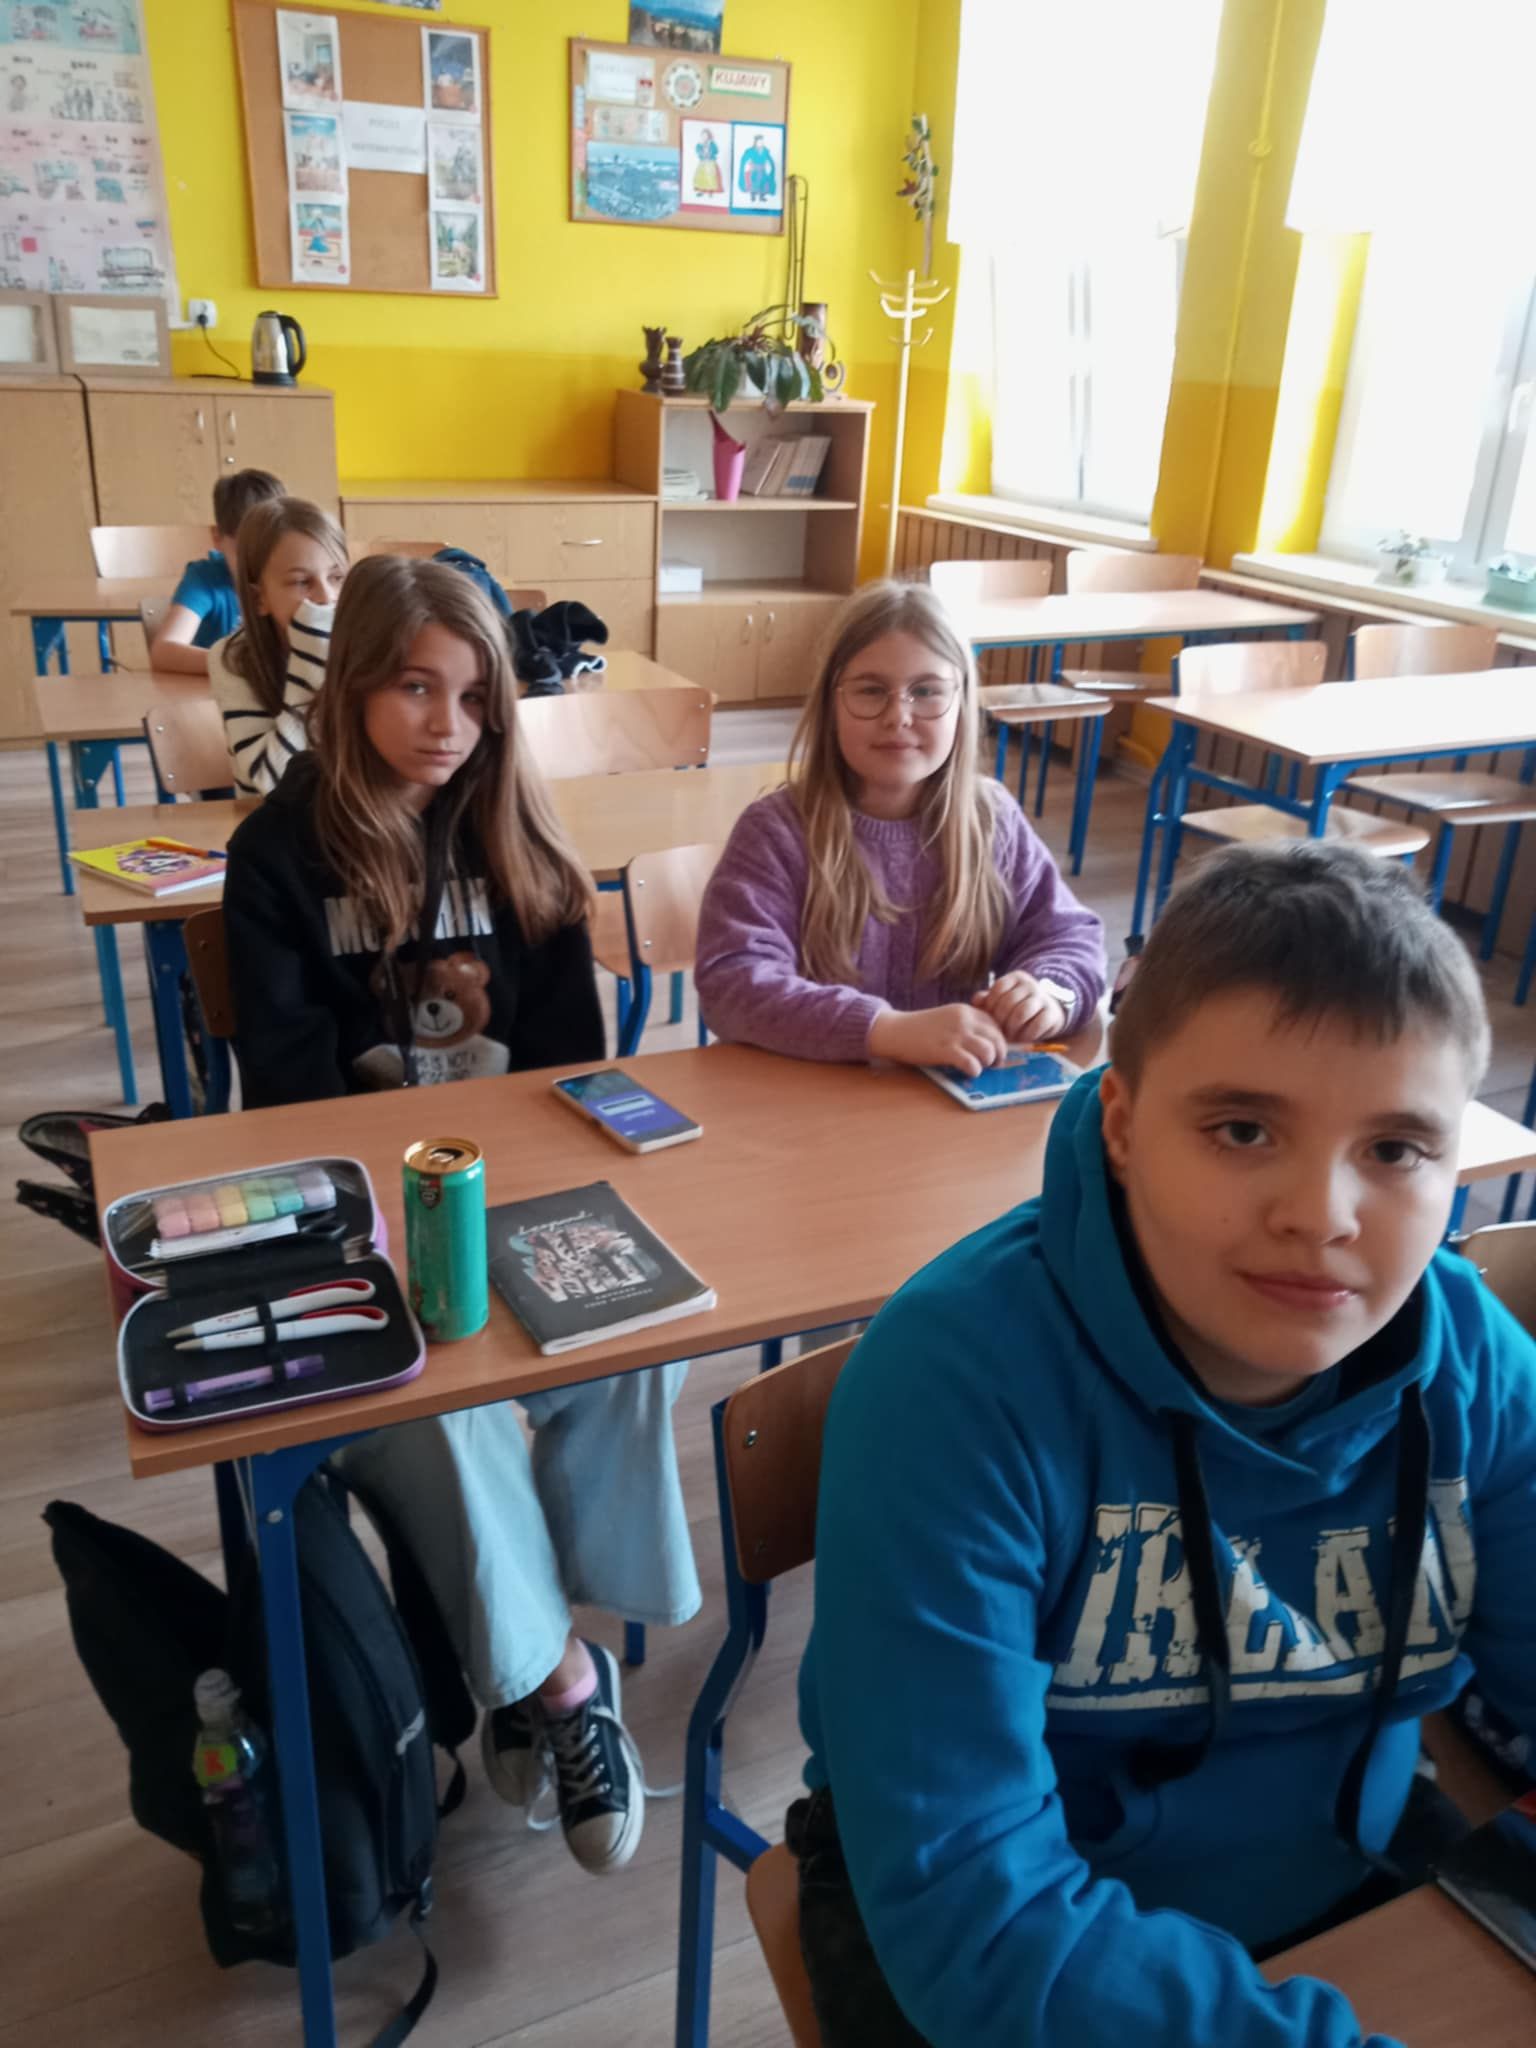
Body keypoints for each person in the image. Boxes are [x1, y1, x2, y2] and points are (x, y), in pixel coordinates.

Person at [793, 839, 1536, 2046]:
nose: (1322, 1215)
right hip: (1008, 1940)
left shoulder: (1475, 1362)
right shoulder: (951, 1386)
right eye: (1243, 1128)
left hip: (1339, 1856)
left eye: (1397, 1149)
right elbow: (976, 1916)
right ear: (1125, 1124)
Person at [223, 556, 700, 1872]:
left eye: (477, 696)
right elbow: (290, 1102)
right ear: (351, 689)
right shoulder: (276, 856)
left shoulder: (518, 839)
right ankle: (560, 1682)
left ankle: (521, 1654)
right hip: (366, 1227)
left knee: (629, 1341)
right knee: (443, 1402)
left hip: (520, 1195)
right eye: (415, 689)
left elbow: (566, 1068)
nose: (450, 723)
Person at [694, 580, 1106, 1071]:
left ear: (961, 703)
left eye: (926, 691)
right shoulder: (776, 833)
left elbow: (1070, 937)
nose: (898, 716)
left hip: (945, 1098)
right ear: (830, 704)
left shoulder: (991, 820)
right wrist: (884, 1030)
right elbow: (733, 982)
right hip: (807, 1095)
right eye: (871, 691)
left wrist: (1049, 992)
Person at [209, 494, 347, 796]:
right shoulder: (233, 658)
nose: (326, 597)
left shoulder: (368, 646)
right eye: (302, 582)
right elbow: (268, 781)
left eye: (337, 577)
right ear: (259, 598)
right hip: (276, 818)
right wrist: (314, 659)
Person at [147, 468, 285, 676]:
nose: (257, 563)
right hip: (215, 692)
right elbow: (163, 652)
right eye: (243, 551)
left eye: (268, 549)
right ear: (217, 538)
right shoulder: (205, 579)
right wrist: (240, 665)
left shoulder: (293, 576)